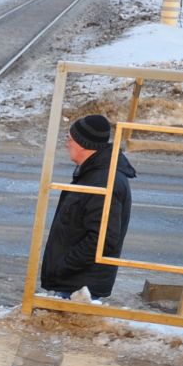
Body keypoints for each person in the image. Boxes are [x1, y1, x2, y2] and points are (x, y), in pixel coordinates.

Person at [39, 113, 136, 302]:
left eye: (70, 139)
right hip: (77, 280)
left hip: (81, 285)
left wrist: (64, 265)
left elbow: (103, 239)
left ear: (83, 143)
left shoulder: (103, 180)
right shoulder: (92, 173)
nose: (67, 144)